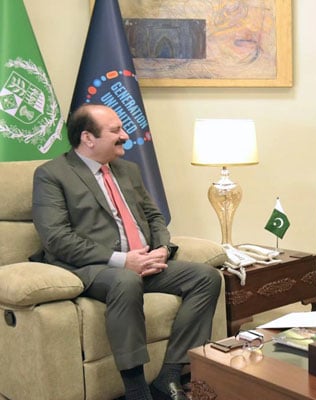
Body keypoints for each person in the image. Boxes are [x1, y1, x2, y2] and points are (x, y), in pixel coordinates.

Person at [31, 104, 221, 400]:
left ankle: (169, 375)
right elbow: (57, 238)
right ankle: (136, 390)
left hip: (142, 259)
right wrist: (122, 261)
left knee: (206, 277)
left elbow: (154, 217)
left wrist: (161, 248)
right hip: (94, 267)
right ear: (88, 138)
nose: (125, 135)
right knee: (126, 279)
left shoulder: (127, 169)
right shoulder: (52, 175)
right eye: (115, 130)